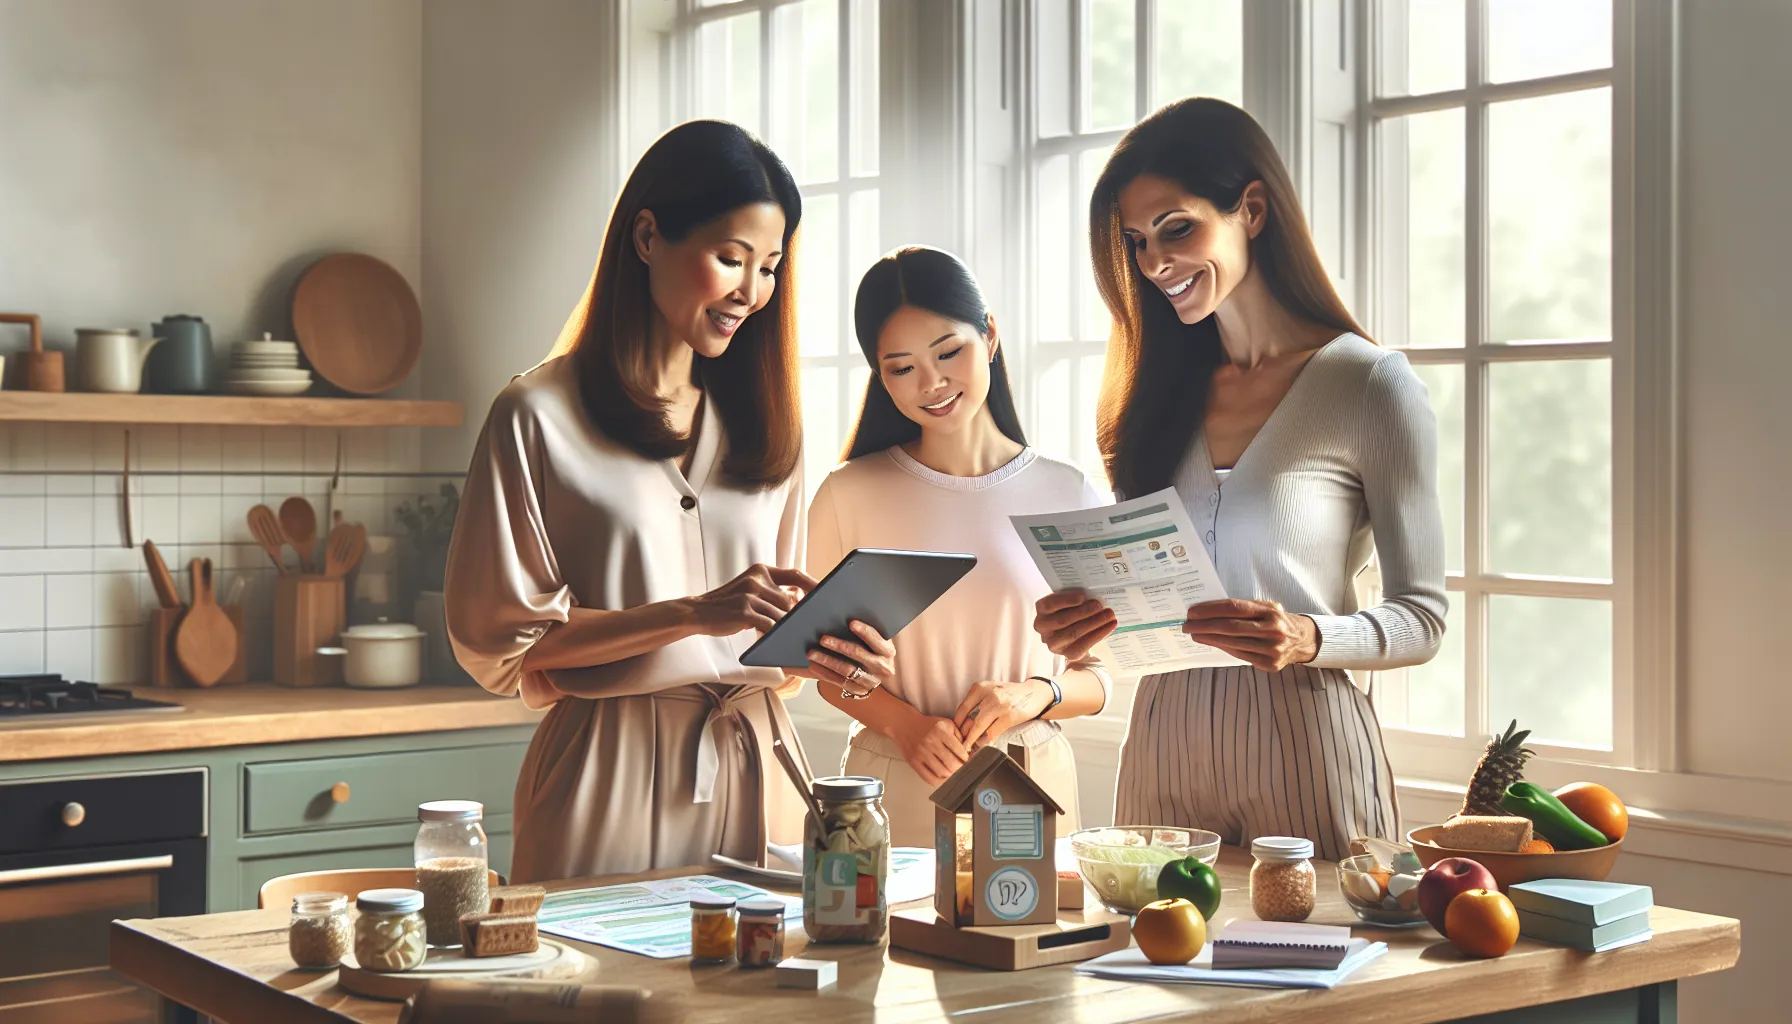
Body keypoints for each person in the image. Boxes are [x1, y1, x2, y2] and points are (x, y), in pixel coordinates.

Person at [443, 121, 891, 883]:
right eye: (731, 259)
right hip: (605, 770)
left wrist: (838, 658)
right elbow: (506, 645)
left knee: (759, 1002)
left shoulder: (768, 420)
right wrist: (689, 613)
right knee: (598, 995)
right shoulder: (537, 415)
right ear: (648, 236)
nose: (751, 293)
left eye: (771, 267)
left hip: (758, 765)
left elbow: (771, 643)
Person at [1034, 98, 1448, 861]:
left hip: (1307, 746)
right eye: (1136, 241)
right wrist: (1085, 629)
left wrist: (1308, 635)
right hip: (1164, 740)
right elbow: (1153, 607)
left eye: (1177, 227)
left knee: (1315, 969)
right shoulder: (1153, 396)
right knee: (1145, 975)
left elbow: (1423, 618)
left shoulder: (1369, 385)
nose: (1155, 263)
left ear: (1250, 210)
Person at [803, 246, 1110, 847]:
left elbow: (1100, 675)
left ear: (990, 336)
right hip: (895, 779)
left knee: (1029, 937)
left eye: (949, 352)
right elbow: (824, 669)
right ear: (880, 375)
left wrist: (1035, 695)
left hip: (1030, 775)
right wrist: (905, 724)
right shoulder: (848, 493)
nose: (933, 383)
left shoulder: (1065, 489)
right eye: (901, 368)